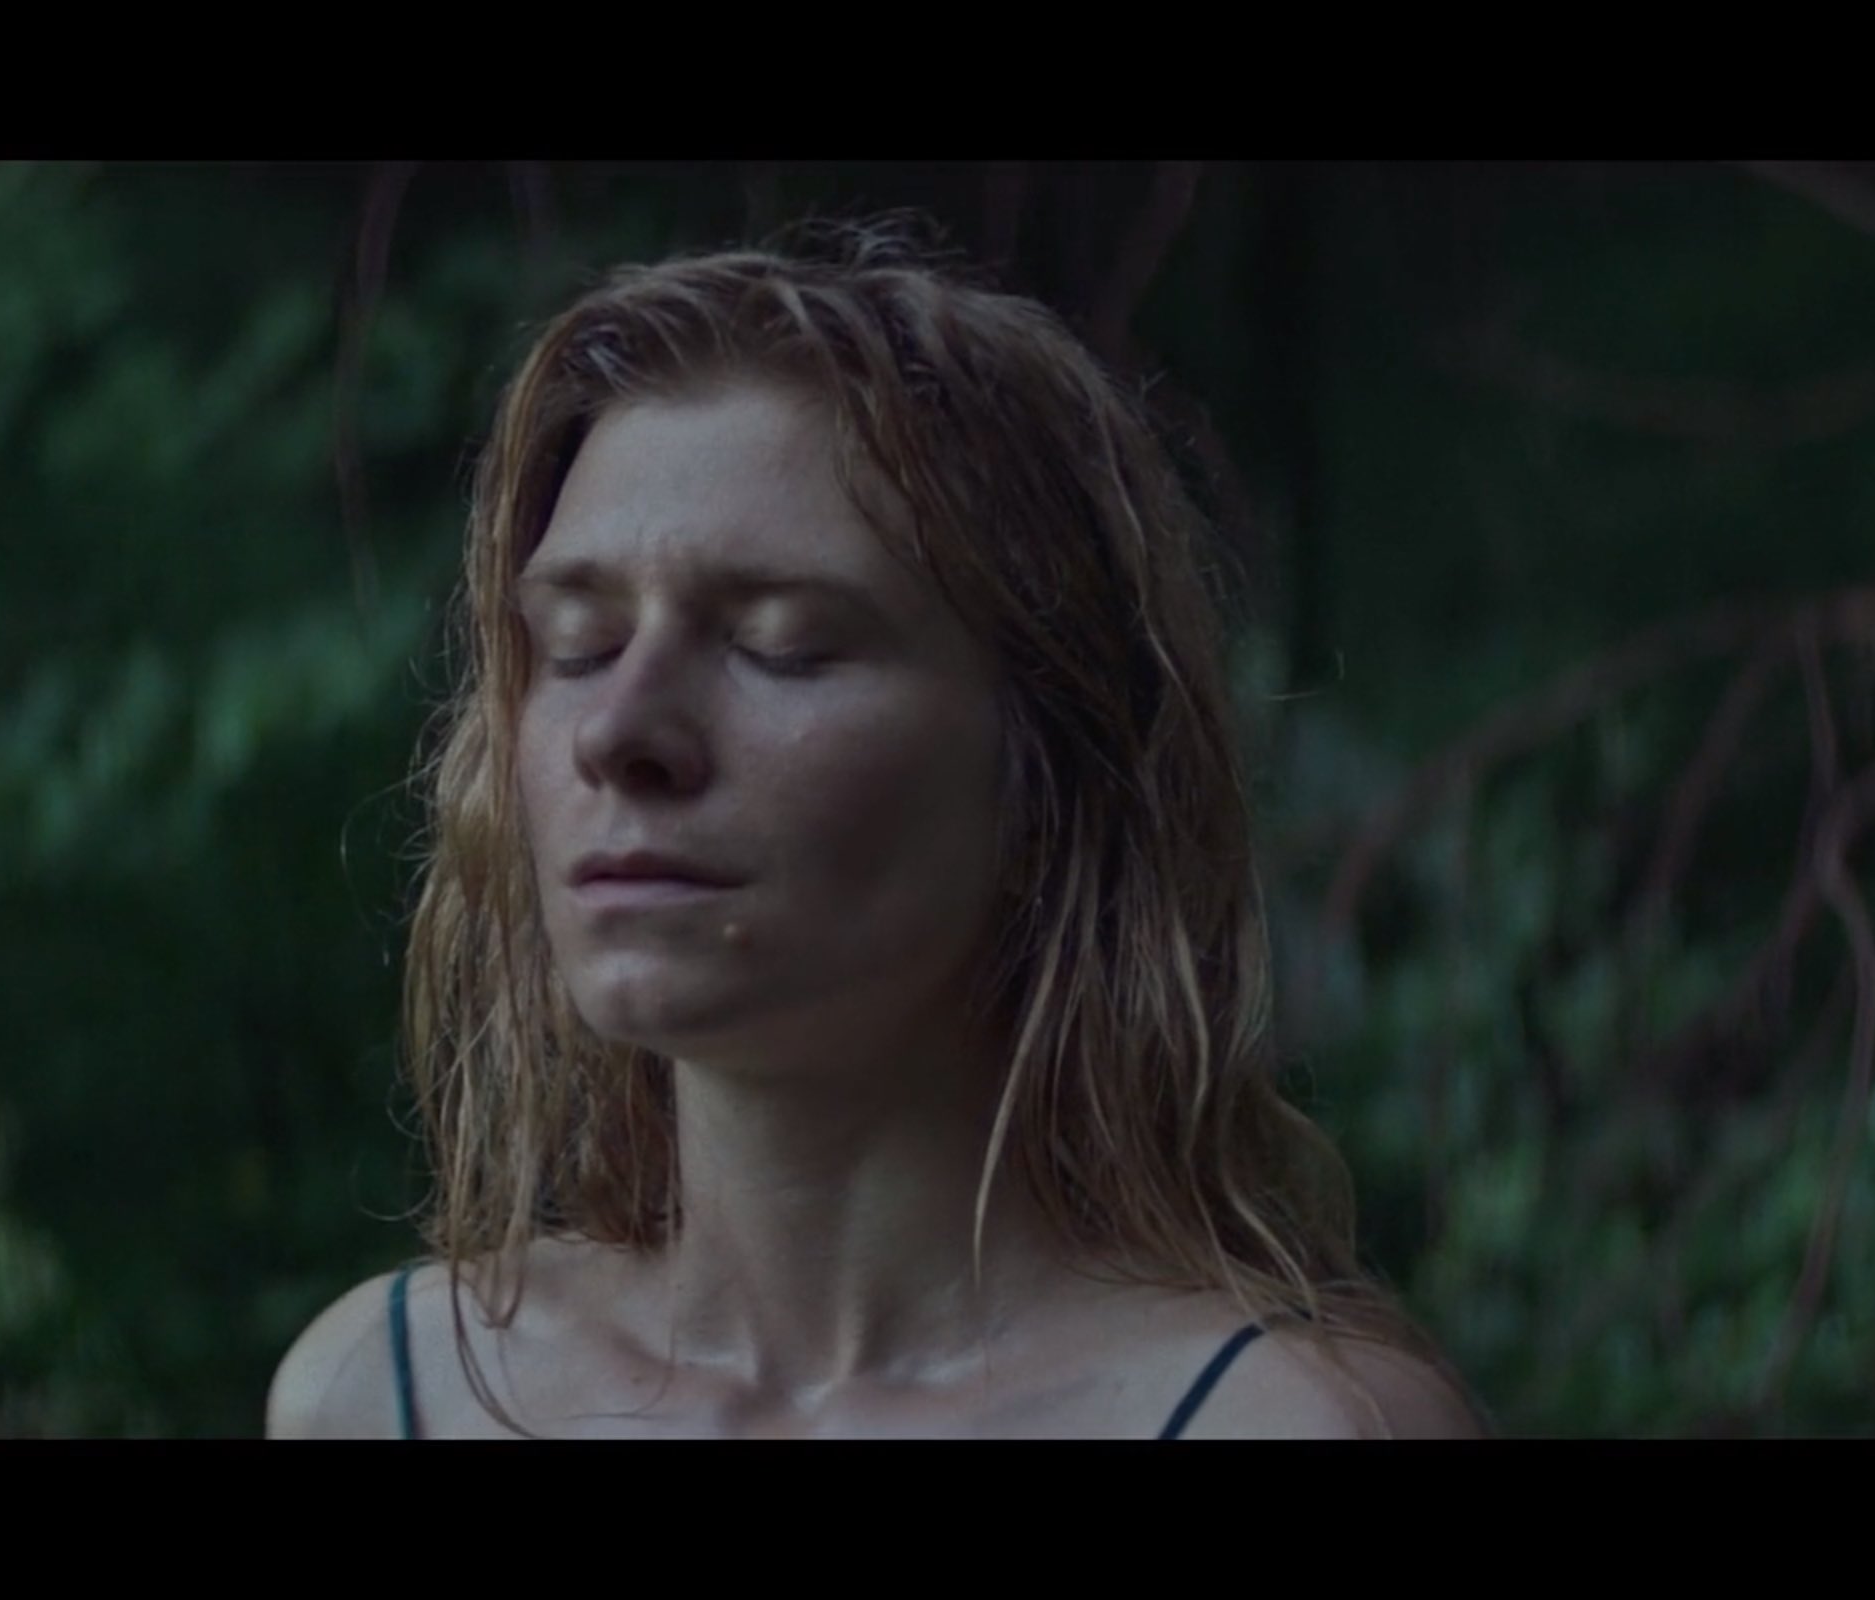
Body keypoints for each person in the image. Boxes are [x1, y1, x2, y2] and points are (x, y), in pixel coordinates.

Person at [269, 220, 1485, 1439]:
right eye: (579, 646)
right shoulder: (385, 1397)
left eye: (783, 644)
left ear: (1052, 765)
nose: (621, 731)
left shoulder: (1276, 1424)